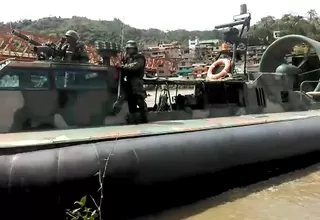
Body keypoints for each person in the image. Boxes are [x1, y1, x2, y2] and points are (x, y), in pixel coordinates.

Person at [120, 40, 148, 123]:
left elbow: (136, 66)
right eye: (128, 48)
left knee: (139, 98)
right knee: (130, 100)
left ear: (135, 49)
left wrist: (124, 67)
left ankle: (144, 117)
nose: (129, 50)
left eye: (131, 48)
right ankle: (133, 118)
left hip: (137, 79)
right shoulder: (126, 57)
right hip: (128, 79)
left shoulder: (139, 57)